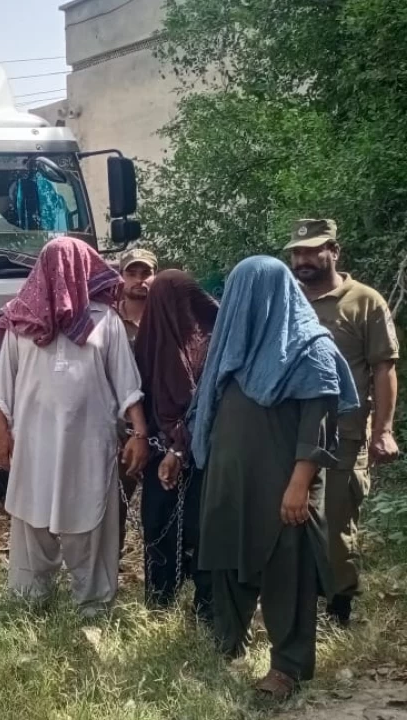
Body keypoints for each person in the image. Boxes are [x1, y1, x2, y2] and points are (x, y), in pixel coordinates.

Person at [188, 255, 358, 701]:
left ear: (275, 294)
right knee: (227, 560)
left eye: (251, 293)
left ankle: (289, 665)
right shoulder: (231, 347)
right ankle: (227, 646)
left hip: (285, 487)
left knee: (289, 573)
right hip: (231, 483)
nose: (241, 303)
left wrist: (300, 484)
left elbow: (318, 425)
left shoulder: (310, 349)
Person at [0, 236, 149, 617]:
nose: (62, 273)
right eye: (54, 264)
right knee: (31, 519)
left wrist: (140, 434)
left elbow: (127, 383)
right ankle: (29, 604)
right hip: (33, 445)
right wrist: (0, 432)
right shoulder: (21, 320)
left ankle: (93, 607)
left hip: (89, 443)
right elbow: (4, 385)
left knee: (91, 520)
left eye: (70, 264)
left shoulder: (105, 320)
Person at [287, 219, 401, 626]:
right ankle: (297, 603)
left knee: (335, 524)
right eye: (296, 253)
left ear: (334, 251)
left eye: (311, 251)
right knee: (292, 518)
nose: (302, 260)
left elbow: (383, 368)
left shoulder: (364, 301)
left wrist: (383, 431)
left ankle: (339, 608)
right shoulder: (288, 299)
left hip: (345, 433)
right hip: (291, 433)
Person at [132, 270, 217, 622]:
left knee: (200, 528)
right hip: (156, 451)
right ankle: (159, 602)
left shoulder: (213, 342)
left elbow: (211, 401)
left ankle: (205, 605)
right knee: (158, 523)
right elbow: (136, 395)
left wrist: (181, 446)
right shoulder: (148, 341)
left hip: (202, 451)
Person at [114, 248, 159, 553]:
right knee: (112, 505)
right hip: (118, 429)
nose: (139, 280)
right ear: (121, 277)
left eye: (146, 273)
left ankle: (159, 580)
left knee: (159, 508)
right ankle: (107, 572)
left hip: (160, 427)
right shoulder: (107, 321)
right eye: (132, 273)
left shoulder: (167, 321)